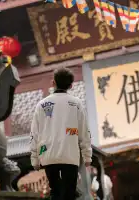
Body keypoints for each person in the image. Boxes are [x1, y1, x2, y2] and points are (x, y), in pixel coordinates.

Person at [30, 67, 92, 200]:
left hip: (48, 155)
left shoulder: (41, 105)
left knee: (55, 191)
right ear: (71, 85)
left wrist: (34, 159)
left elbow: (35, 133)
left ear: (53, 83)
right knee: (69, 193)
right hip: (70, 155)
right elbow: (84, 132)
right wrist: (87, 157)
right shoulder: (76, 104)